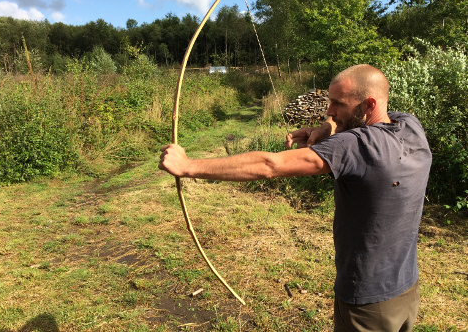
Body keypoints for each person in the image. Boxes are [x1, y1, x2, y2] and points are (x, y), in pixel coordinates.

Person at [159, 64, 432, 332]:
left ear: (368, 105)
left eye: (337, 104)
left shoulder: (355, 145)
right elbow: (362, 124)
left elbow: (270, 165)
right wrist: (327, 129)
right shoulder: (409, 125)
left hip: (368, 303)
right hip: (406, 289)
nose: (329, 111)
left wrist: (188, 166)